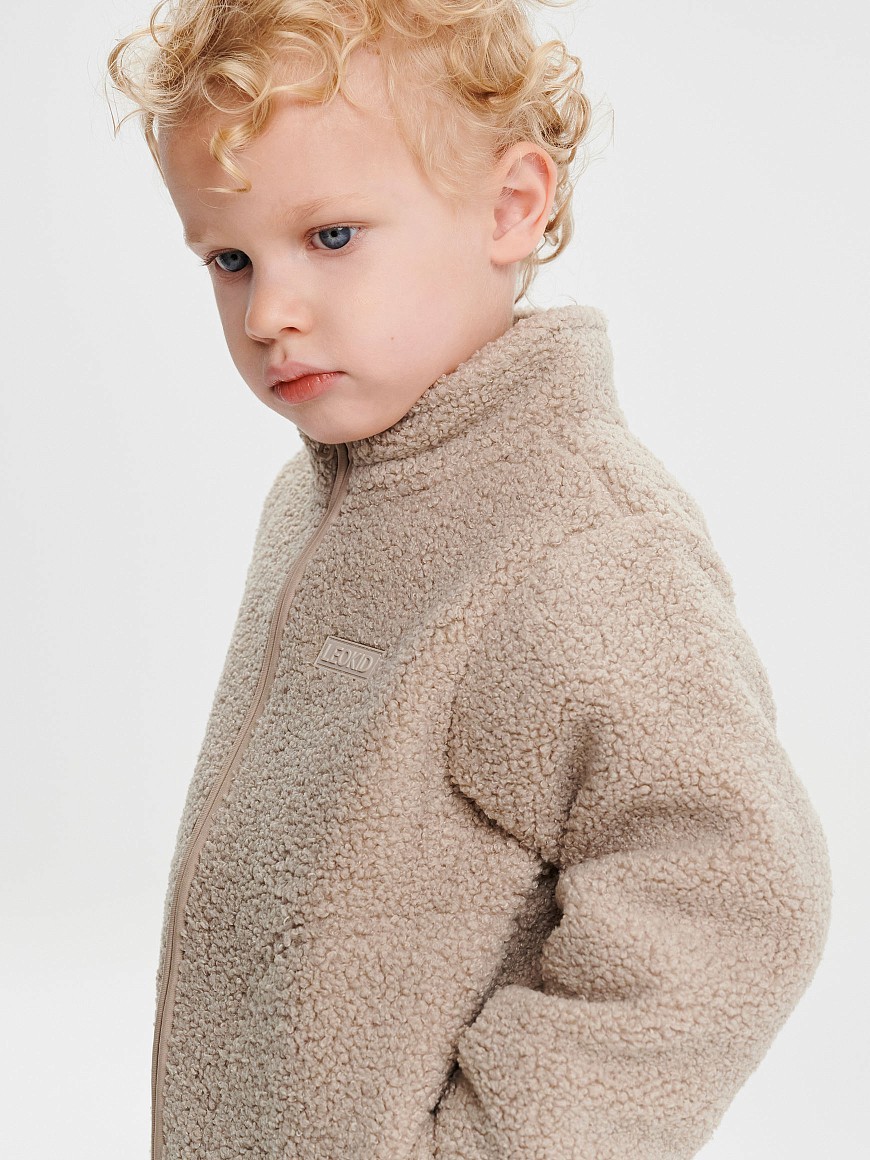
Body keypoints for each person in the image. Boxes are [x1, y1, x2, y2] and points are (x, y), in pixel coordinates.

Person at [104, 2, 833, 1158]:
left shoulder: (578, 542)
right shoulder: (321, 496)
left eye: (331, 236)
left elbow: (733, 893)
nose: (269, 312)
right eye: (230, 259)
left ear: (511, 206)